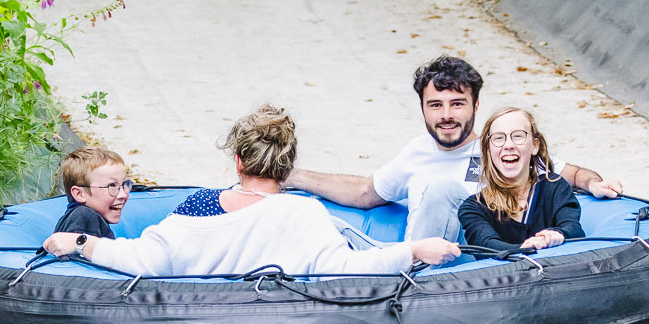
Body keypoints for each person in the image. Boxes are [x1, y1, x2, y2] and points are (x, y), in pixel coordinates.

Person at [44, 104, 457, 275]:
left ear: (238, 161)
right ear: (288, 167)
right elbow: (345, 270)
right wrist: (415, 250)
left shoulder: (198, 206)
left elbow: (142, 260)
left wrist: (79, 242)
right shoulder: (303, 214)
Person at [283, 55, 620, 240]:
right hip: (421, 260)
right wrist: (292, 177)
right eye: (435, 105)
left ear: (475, 106)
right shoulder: (416, 152)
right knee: (330, 227)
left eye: (457, 104)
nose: (446, 116)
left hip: (476, 263)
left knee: (441, 187)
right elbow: (364, 193)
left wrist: (594, 183)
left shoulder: (501, 152)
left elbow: (569, 174)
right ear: (423, 108)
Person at [456, 105, 586, 252]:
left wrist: (558, 234)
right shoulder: (473, 208)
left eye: (518, 136)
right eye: (499, 138)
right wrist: (524, 248)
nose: (509, 145)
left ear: (535, 145)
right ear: (488, 149)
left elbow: (573, 228)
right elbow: (485, 245)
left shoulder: (555, 187)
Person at [53, 145, 131, 238]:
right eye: (111, 186)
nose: (122, 194)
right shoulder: (83, 217)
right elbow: (75, 250)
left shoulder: (82, 216)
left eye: (125, 184)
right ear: (79, 194)